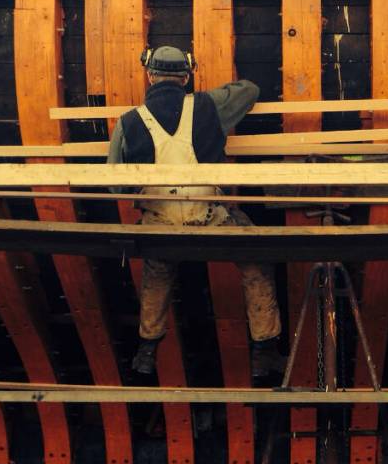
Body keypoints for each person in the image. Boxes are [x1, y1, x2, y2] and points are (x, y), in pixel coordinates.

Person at [108, 45, 285, 379]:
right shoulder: (208, 106)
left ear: (149, 75)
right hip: (211, 217)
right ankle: (264, 350)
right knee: (256, 259)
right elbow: (250, 90)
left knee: (157, 272)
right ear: (186, 77)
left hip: (159, 223)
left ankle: (147, 349)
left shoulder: (128, 122)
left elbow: (115, 185)